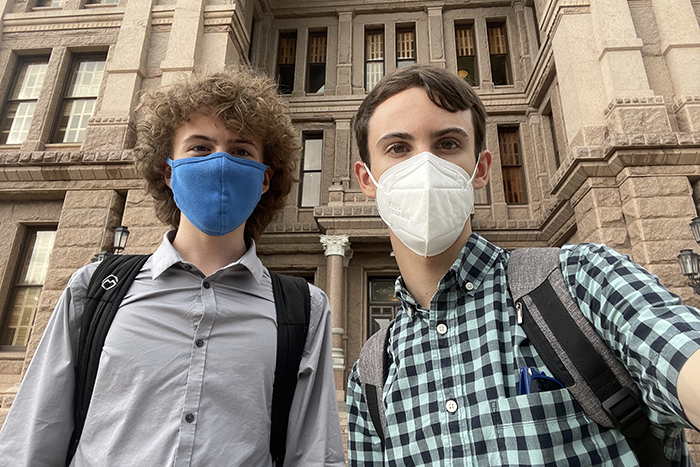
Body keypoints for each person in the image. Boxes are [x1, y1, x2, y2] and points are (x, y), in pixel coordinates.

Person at [346, 64, 700, 466]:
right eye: (398, 148)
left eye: (447, 144)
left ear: (480, 169)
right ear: (367, 179)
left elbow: (679, 353)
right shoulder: (371, 375)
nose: (424, 167)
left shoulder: (582, 279)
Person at [0, 69, 345, 466]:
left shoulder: (304, 309)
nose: (220, 163)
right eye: (199, 147)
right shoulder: (95, 289)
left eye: (241, 151)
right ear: (168, 171)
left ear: (265, 178)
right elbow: (31, 442)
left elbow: (314, 455)